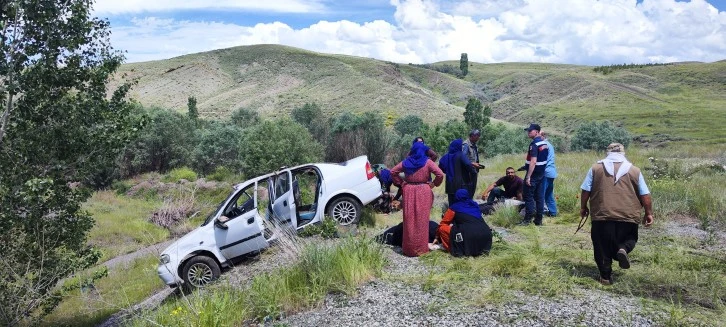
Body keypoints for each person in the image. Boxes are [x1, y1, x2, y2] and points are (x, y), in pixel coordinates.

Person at [580, 143, 654, 285]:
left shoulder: (595, 168)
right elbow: (645, 194)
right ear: (623, 154)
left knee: (601, 246)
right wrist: (648, 213)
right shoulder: (635, 171)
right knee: (630, 239)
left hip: (602, 214)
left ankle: (605, 277)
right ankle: (623, 248)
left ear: (608, 153)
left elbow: (585, 191)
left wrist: (583, 207)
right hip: (628, 215)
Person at [390, 142, 445, 257]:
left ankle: (409, 249)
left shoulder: (406, 162)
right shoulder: (427, 162)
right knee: (422, 219)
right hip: (423, 191)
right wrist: (434, 184)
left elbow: (393, 171)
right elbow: (440, 174)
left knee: (409, 219)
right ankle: (420, 249)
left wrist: (401, 184)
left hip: (409, 191)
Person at [435, 189, 492, 257]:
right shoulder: (475, 205)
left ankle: (454, 249)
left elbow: (443, 223)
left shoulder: (454, 207)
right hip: (486, 234)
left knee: (442, 229)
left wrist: (437, 236)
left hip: (468, 235)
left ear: (456, 197)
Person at [520, 123, 548, 226]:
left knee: (528, 197)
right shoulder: (544, 143)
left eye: (530, 131)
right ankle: (538, 220)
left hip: (533, 175)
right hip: (541, 174)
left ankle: (527, 220)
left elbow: (533, 161)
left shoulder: (534, 144)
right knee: (540, 197)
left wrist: (528, 176)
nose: (528, 132)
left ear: (536, 132)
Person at [439, 139, 477, 205]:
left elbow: (440, 166)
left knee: (452, 205)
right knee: (462, 204)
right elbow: (468, 164)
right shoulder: (460, 154)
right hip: (461, 185)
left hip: (450, 185)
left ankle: (451, 215)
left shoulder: (446, 156)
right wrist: (473, 172)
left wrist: (447, 172)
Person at [461, 129, 484, 197]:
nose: (479, 138)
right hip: (468, 172)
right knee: (468, 189)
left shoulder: (474, 145)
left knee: (472, 189)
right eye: (478, 136)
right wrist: (473, 164)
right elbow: (462, 158)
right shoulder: (466, 145)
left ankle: (470, 203)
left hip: (473, 171)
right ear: (473, 136)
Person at [541, 131, 558, 217]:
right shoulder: (549, 144)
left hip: (546, 172)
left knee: (541, 193)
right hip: (551, 172)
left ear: (543, 136)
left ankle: (542, 213)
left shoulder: (544, 145)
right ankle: (553, 212)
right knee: (549, 194)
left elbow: (543, 160)